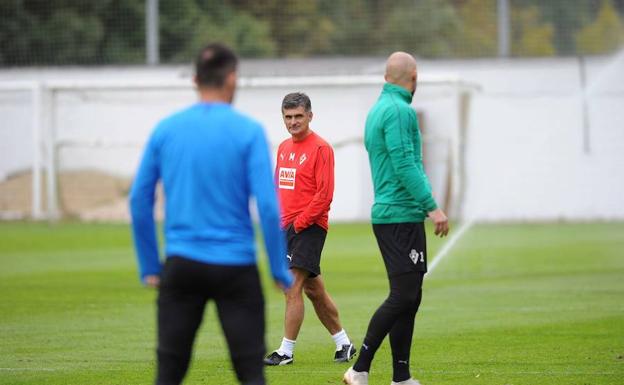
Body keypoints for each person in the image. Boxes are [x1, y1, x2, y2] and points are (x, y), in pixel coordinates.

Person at [129, 43, 293, 385]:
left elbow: (138, 200)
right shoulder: (248, 130)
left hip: (182, 264)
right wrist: (278, 268)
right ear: (232, 78)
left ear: (194, 79)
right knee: (250, 372)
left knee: (169, 372)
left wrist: (149, 265)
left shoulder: (166, 129)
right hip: (235, 266)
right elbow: (266, 204)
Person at [343, 52, 450, 385]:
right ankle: (359, 369)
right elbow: (405, 164)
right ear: (413, 76)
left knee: (410, 296)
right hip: (399, 215)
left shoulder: (378, 109)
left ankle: (401, 376)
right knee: (403, 296)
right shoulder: (400, 111)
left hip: (396, 214)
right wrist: (432, 206)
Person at [263, 92, 356, 366]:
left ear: (310, 116)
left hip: (310, 226)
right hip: (285, 228)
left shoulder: (321, 148)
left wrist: (299, 223)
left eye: (298, 116)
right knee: (314, 290)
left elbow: (324, 195)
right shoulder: (283, 148)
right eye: (288, 117)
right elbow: (279, 188)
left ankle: (285, 352)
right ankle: (344, 344)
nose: (293, 122)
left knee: (291, 287)